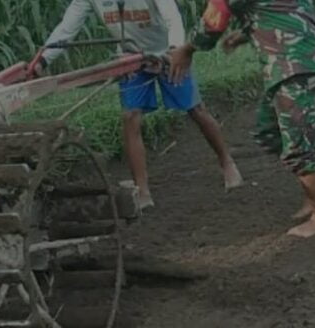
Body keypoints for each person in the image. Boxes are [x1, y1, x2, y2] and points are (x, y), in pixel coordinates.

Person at [37, 0, 244, 210]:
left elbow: (172, 17)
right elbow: (66, 29)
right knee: (130, 116)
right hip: (130, 57)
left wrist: (175, 50)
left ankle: (227, 162)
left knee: (196, 109)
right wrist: (42, 61)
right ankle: (142, 190)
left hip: (167, 53)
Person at [168, 0, 315, 238]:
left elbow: (213, 22)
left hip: (295, 63)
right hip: (295, 61)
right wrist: (245, 34)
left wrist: (186, 49)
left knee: (299, 146)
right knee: (269, 131)